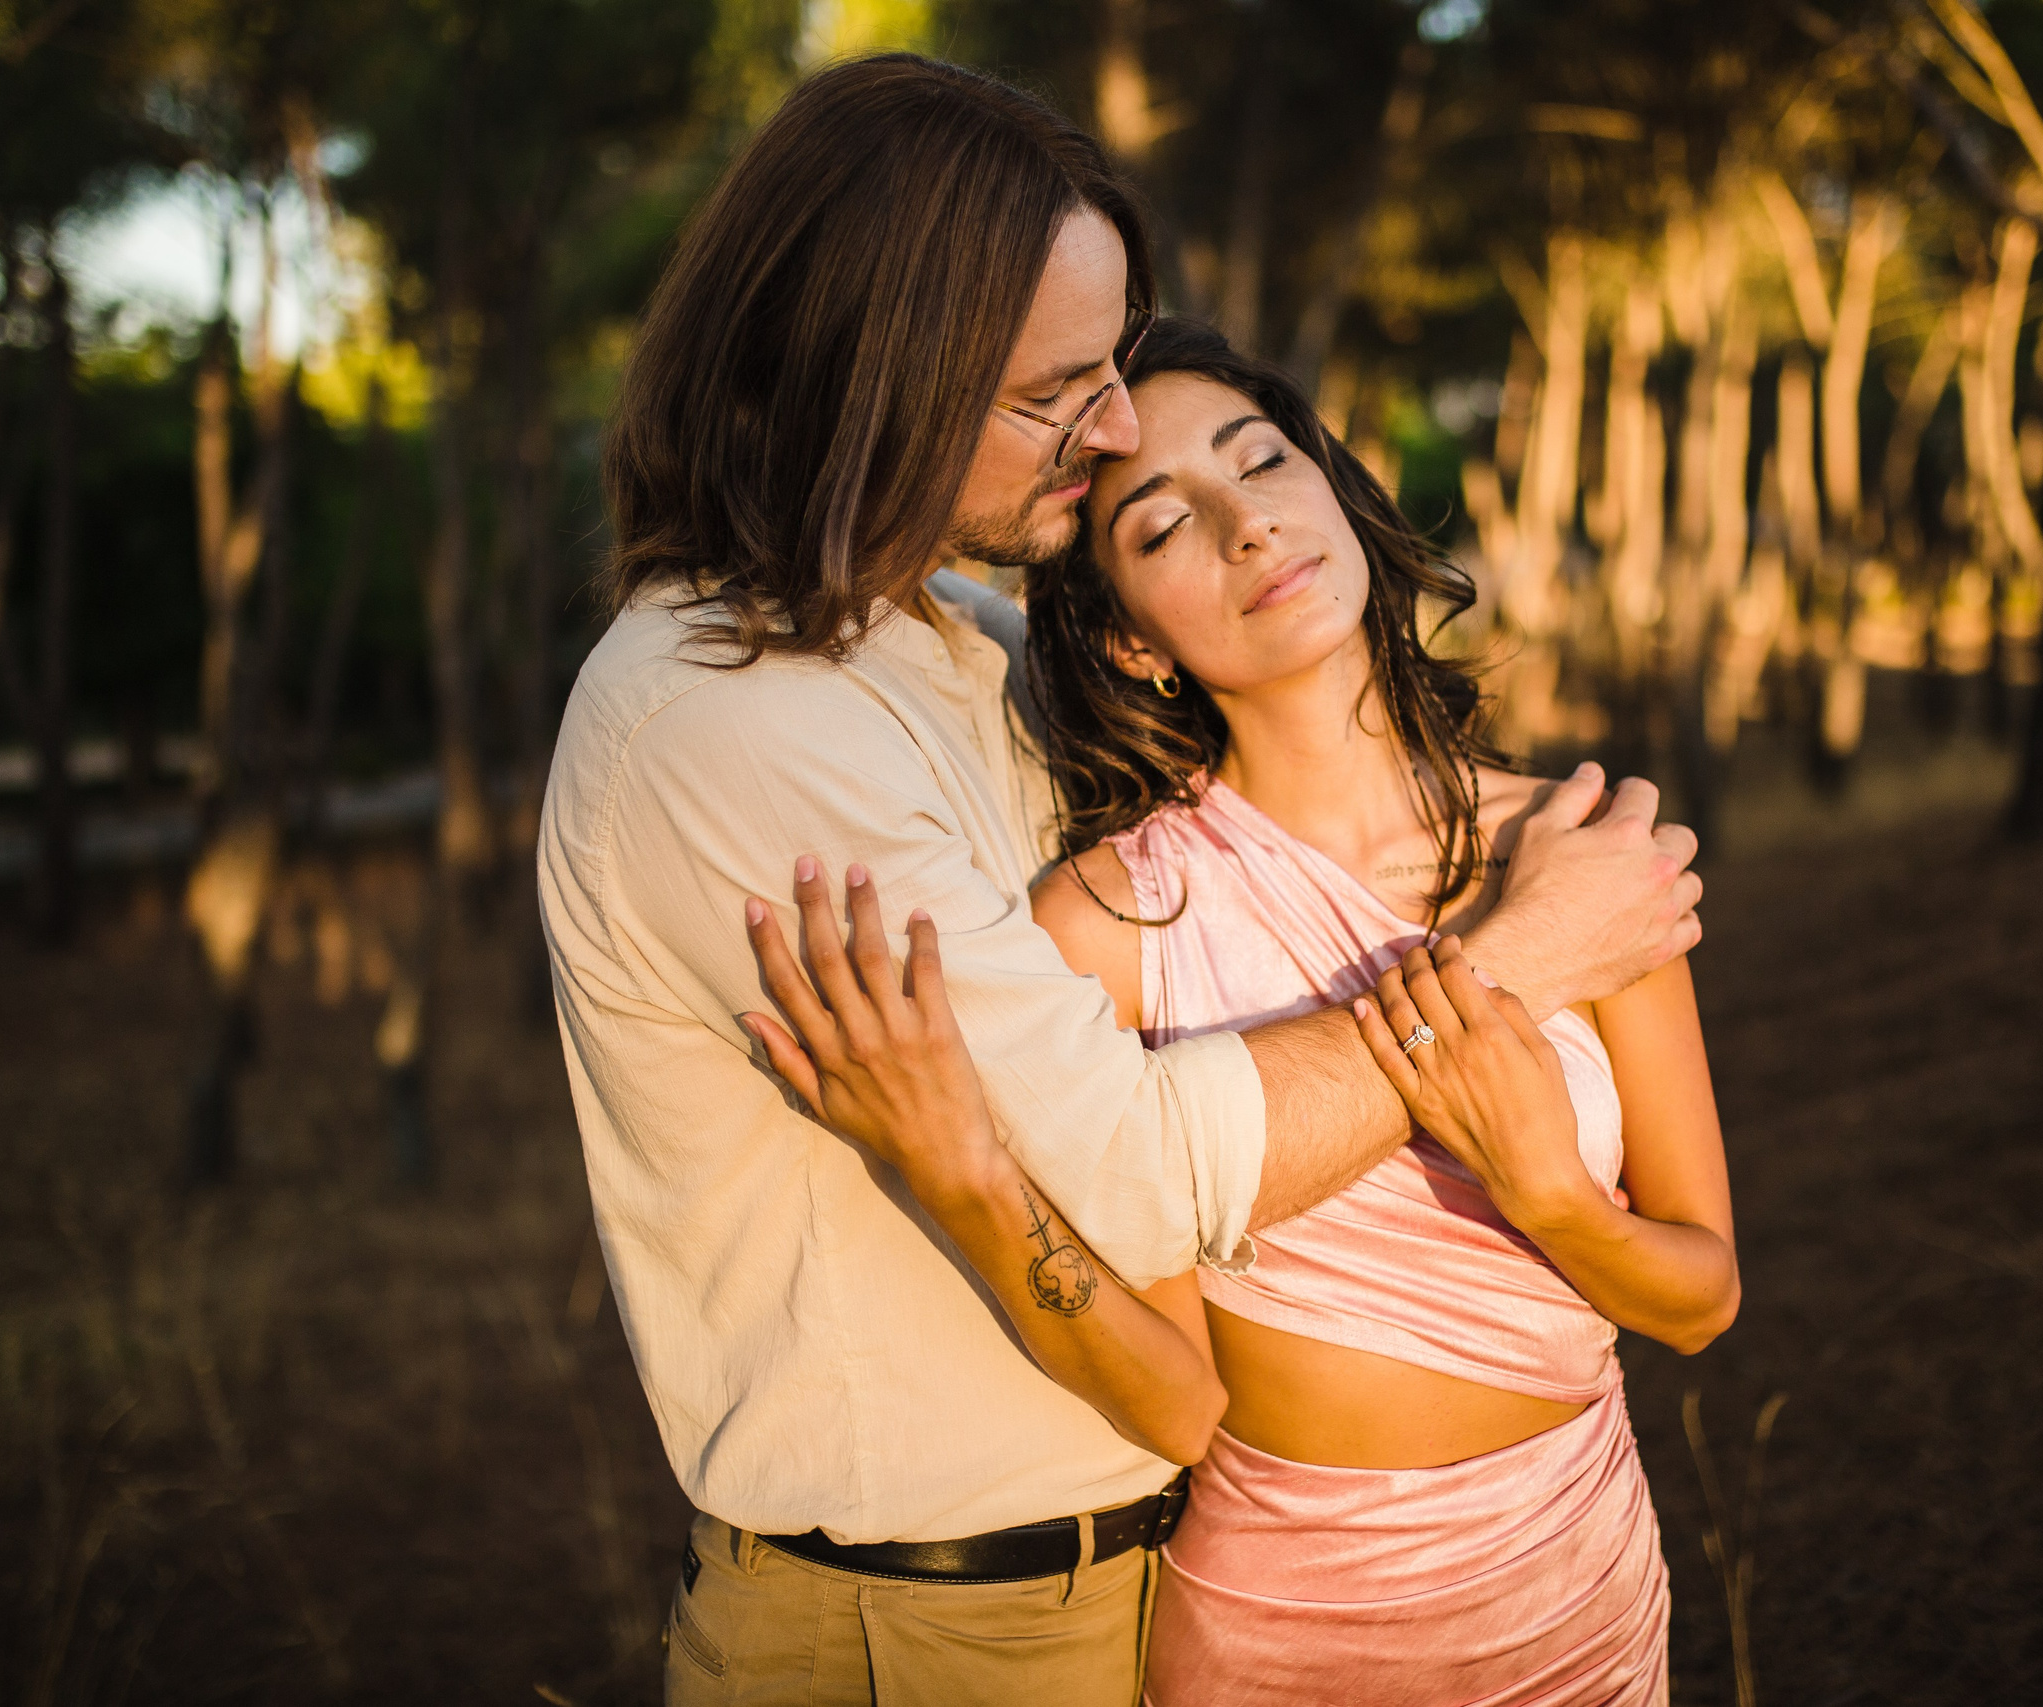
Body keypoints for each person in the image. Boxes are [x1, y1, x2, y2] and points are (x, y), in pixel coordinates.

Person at [539, 55, 1702, 1707]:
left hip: (1168, 1584)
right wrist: (1517, 957)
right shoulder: (732, 725)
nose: (1106, 424)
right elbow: (1153, 1182)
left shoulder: (945, 650)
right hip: (913, 1635)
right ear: (870, 379)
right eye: (1054, 392)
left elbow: (1227, 710)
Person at [744, 318, 1736, 1704]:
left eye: (1263, 461)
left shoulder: (1574, 861)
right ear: (1133, 644)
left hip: (1579, 1588)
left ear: (1333, 488)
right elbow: (1175, 1398)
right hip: (1292, 1625)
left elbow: (1702, 1296)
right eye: (1164, 529)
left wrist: (1557, 1200)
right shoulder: (1109, 929)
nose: (1248, 526)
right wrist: (967, 1178)